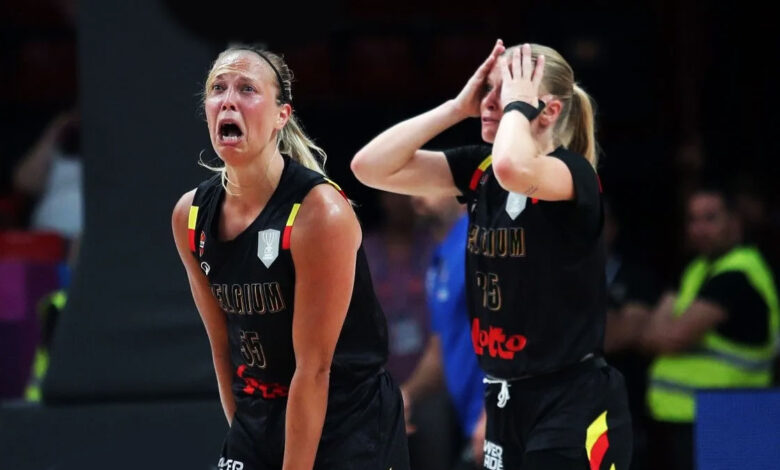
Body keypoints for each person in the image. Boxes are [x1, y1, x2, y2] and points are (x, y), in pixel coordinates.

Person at [351, 40, 632, 469]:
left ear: (549, 111)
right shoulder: (480, 171)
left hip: (570, 399)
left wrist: (517, 106)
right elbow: (369, 167)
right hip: (503, 395)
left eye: (507, 90)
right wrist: (455, 108)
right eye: (488, 88)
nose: (490, 101)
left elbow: (513, 168)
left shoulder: (572, 174)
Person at [171, 45, 409, 470]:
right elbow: (223, 348)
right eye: (218, 88)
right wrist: (246, 435)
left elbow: (314, 370)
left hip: (347, 421)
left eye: (247, 89)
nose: (228, 100)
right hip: (260, 414)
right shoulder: (189, 215)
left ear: (282, 115)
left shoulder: (320, 213)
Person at [641, 187, 779, 470]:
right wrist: (655, 332)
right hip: (691, 418)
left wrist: (658, 330)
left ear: (734, 221)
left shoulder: (737, 275)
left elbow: (670, 337)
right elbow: (649, 334)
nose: (699, 229)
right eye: (693, 220)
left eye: (710, 218)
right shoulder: (697, 269)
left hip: (731, 419)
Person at [402, 194, 485, 470]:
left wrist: (492, 413)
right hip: (470, 422)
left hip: (501, 417)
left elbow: (520, 324)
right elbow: (438, 353)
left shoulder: (479, 242)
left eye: (429, 180)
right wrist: (406, 396)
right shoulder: (441, 255)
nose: (417, 192)